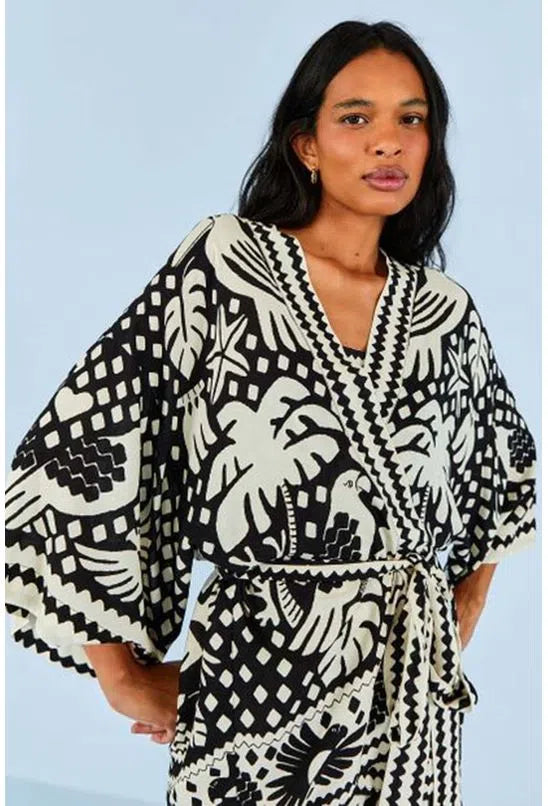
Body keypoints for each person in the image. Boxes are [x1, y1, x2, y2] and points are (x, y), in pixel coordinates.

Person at [5, 18, 537, 806]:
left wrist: (462, 608)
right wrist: (121, 675)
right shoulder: (226, 265)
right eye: (356, 117)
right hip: (254, 688)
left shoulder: (444, 313)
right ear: (306, 144)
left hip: (413, 716)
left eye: (411, 118)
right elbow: (83, 443)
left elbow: (504, 475)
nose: (388, 142)